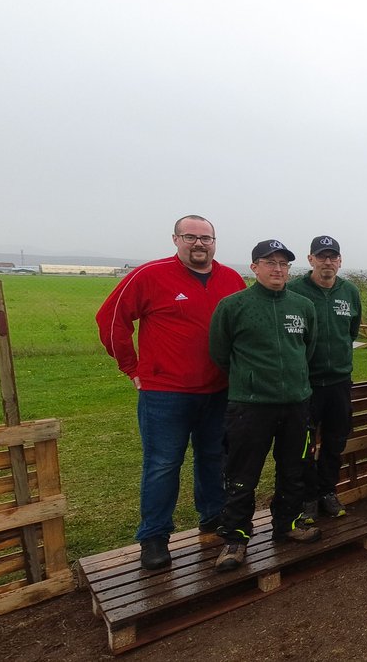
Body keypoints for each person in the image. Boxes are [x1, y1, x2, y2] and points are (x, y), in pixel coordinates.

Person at [95, 215, 246, 569]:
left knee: (213, 459)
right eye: (190, 237)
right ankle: (154, 536)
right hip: (165, 393)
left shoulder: (231, 279)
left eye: (206, 238)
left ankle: (212, 517)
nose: (199, 244)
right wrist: (131, 368)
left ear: (215, 242)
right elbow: (111, 319)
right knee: (163, 464)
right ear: (176, 239)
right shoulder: (150, 275)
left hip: (218, 390)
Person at [209, 240, 321, 572]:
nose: (277, 269)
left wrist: (292, 380)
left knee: (293, 469)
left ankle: (287, 524)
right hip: (250, 407)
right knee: (243, 473)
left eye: (283, 264)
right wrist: (253, 379)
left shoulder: (302, 306)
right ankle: (235, 538)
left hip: (296, 403)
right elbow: (220, 353)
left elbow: (307, 350)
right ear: (254, 267)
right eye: (269, 262)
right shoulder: (233, 306)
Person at [287, 235, 361, 523]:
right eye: (322, 256)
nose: (327, 262)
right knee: (304, 443)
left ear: (340, 261)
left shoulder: (350, 292)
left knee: (335, 439)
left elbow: (351, 331)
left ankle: (327, 491)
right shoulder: (295, 291)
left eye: (333, 257)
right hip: (306, 382)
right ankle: (306, 498)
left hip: (340, 380)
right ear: (310, 260)